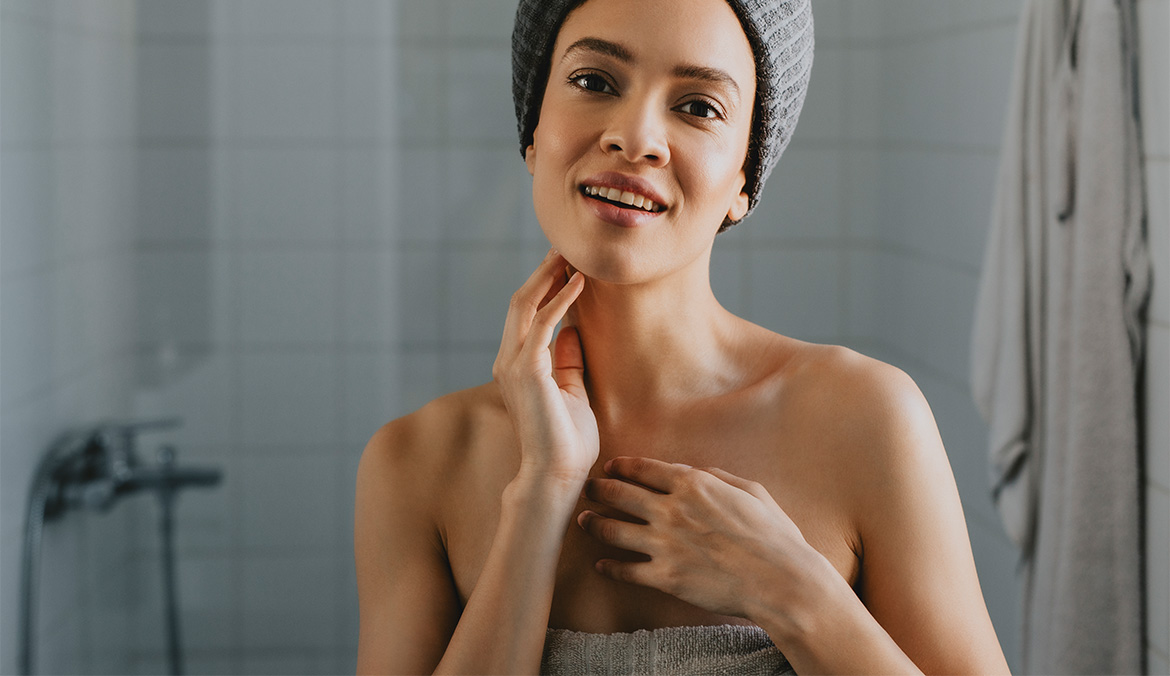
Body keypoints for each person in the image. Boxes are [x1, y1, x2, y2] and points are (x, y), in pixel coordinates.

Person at [355, 0, 1011, 673]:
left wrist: (792, 589)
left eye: (698, 107)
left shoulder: (866, 420)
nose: (635, 137)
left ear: (744, 181)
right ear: (533, 129)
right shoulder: (415, 464)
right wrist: (541, 493)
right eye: (595, 82)